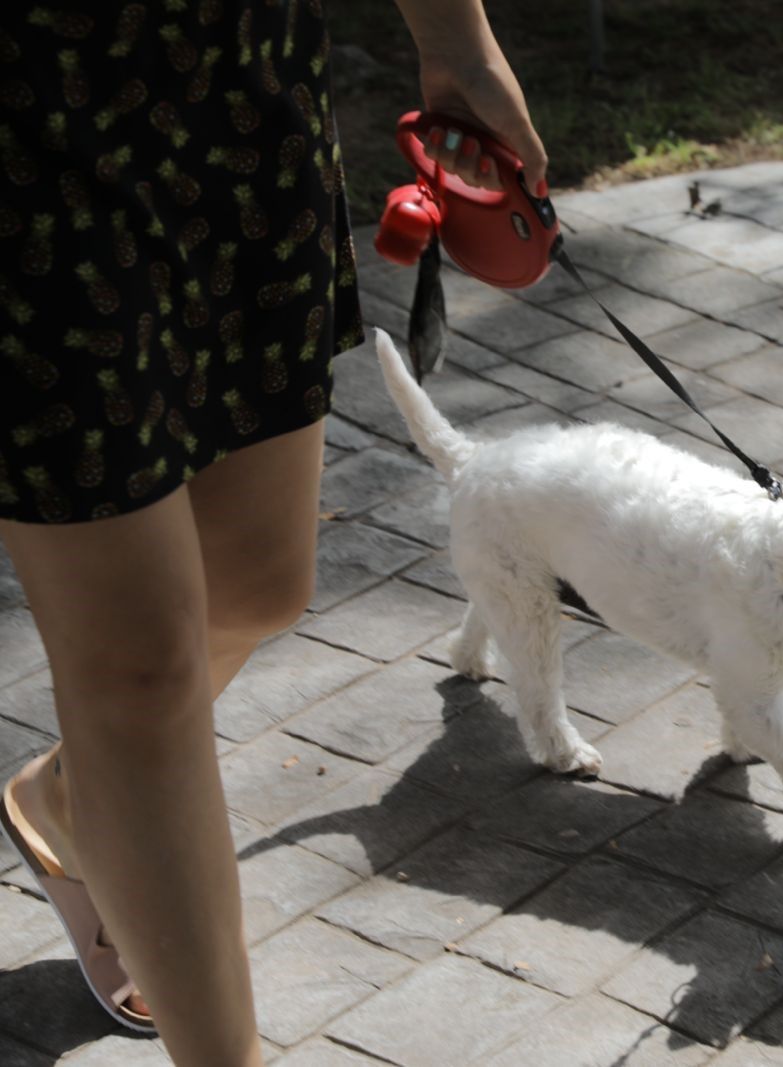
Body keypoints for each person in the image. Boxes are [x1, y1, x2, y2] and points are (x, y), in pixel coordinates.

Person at [0, 2, 545, 1063]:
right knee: (142, 673)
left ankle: (74, 794)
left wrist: (456, 38)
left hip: (235, 83)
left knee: (258, 585)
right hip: (23, 125)